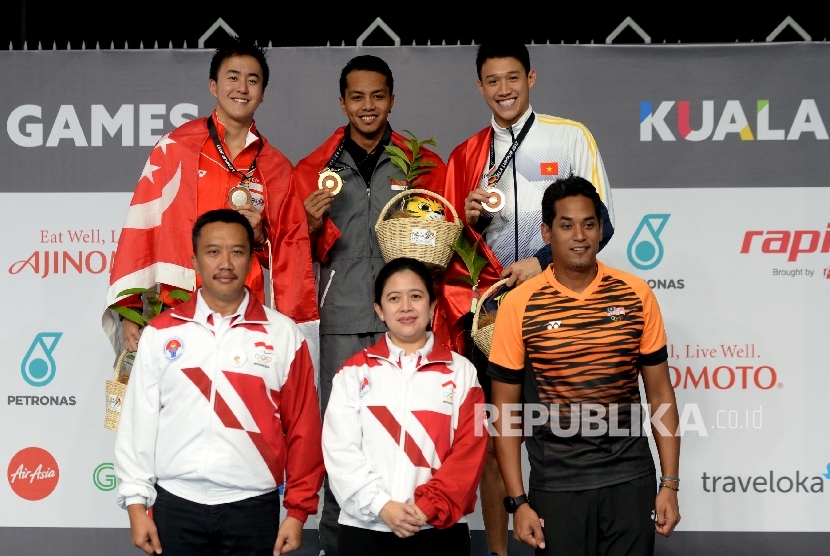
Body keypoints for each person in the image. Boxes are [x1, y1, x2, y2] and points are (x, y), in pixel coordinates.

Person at [437, 41, 616, 556]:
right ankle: (497, 551)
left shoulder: (569, 135)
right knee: (498, 443)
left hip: (557, 306)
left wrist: (541, 262)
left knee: (561, 438)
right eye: (492, 81)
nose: (504, 89)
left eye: (512, 78)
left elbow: (602, 225)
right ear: (480, 87)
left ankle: (561, 544)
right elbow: (445, 247)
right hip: (491, 316)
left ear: (531, 78)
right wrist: (465, 221)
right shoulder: (467, 155)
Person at [290, 55, 446, 555]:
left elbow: (444, 237)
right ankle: (337, 544)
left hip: (409, 320)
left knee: (416, 431)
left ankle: (417, 535)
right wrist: (310, 226)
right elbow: (292, 252)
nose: (367, 106)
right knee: (344, 438)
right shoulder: (314, 169)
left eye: (377, 96)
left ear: (392, 100)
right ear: (342, 103)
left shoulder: (420, 162)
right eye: (357, 97)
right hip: (342, 321)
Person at [114, 209, 324, 556]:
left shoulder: (283, 333)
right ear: (195, 261)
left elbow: (303, 427)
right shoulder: (161, 333)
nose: (225, 262)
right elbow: (138, 423)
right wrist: (136, 505)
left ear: (250, 259)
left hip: (253, 508)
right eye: (213, 252)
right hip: (175, 505)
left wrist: (298, 511)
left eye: (237, 251)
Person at [488, 177, 681, 555]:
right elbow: (504, 410)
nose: (580, 235)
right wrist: (517, 501)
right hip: (557, 488)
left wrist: (670, 484)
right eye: (566, 225)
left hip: (630, 482)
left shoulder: (636, 293)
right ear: (547, 232)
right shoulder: (519, 304)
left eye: (589, 224)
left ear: (600, 229)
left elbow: (660, 392)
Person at [103, 37, 318, 362]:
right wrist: (129, 310)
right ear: (213, 86)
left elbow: (291, 256)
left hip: (246, 317)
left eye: (253, 80)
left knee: (241, 409)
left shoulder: (275, 168)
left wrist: (259, 238)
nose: (242, 87)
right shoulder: (175, 148)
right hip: (178, 310)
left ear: (262, 94)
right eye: (233, 77)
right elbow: (141, 229)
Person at [322, 257, 487, 556]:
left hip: (438, 532)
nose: (406, 307)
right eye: (394, 298)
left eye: (416, 296)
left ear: (433, 306)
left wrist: (427, 508)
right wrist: (380, 505)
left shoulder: (463, 373)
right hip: (364, 531)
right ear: (379, 310)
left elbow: (470, 452)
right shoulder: (353, 372)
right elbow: (339, 451)